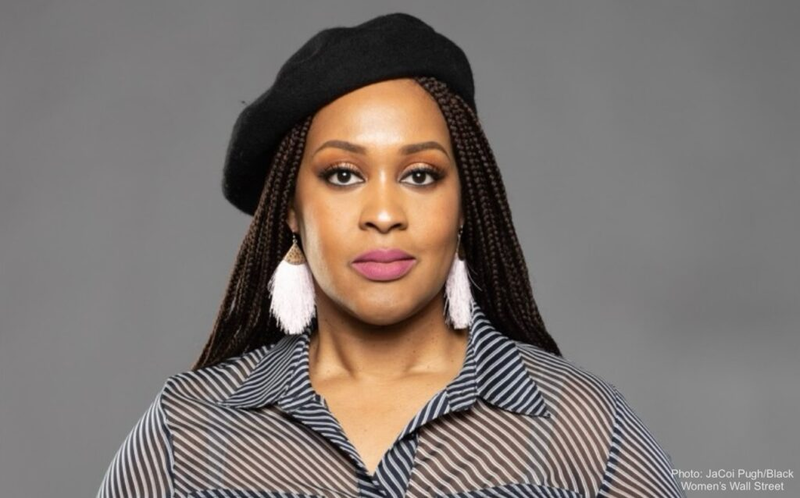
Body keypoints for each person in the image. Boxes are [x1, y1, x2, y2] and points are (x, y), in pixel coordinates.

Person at [96, 12, 685, 498]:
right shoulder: (186, 433)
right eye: (343, 174)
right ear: (291, 209)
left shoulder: (583, 427)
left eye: (420, 175)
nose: (383, 213)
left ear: (463, 207)